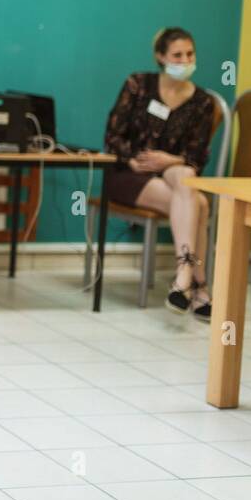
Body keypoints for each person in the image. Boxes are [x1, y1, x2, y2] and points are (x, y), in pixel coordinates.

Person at [103, 27, 216, 320]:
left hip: (173, 171)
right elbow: (112, 137)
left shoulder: (203, 102)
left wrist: (169, 159)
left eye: (190, 54)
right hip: (129, 174)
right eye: (177, 55)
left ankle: (183, 278)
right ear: (160, 57)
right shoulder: (138, 84)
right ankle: (198, 285)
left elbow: (197, 157)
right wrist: (131, 161)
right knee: (200, 204)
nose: (185, 60)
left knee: (185, 176)